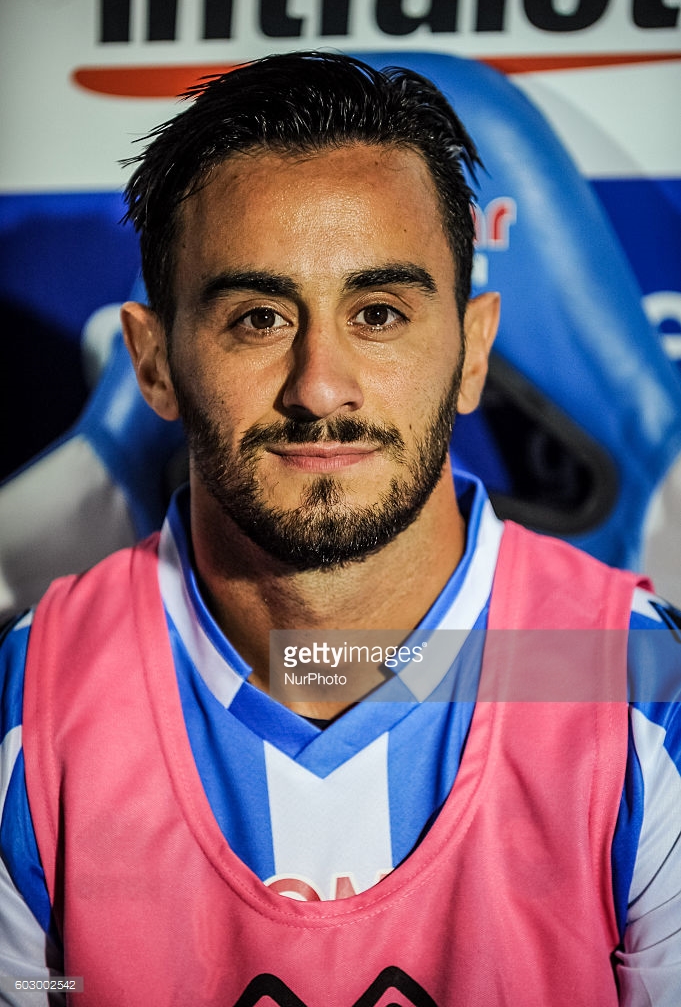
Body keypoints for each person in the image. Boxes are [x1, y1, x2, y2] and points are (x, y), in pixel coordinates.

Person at [0, 51, 680, 1007]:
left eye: (377, 312)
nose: (321, 386)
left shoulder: (633, 681)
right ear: (151, 364)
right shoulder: (32, 696)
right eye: (258, 318)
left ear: (472, 349)